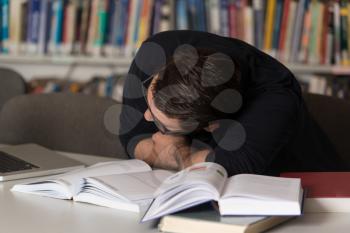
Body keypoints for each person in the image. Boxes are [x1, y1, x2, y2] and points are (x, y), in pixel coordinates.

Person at [119, 30, 347, 176]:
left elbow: (235, 164)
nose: (146, 116)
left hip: (306, 184)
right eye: (151, 89)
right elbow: (132, 136)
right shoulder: (155, 53)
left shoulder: (276, 99)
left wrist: (180, 155)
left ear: (211, 125)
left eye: (162, 125)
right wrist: (187, 156)